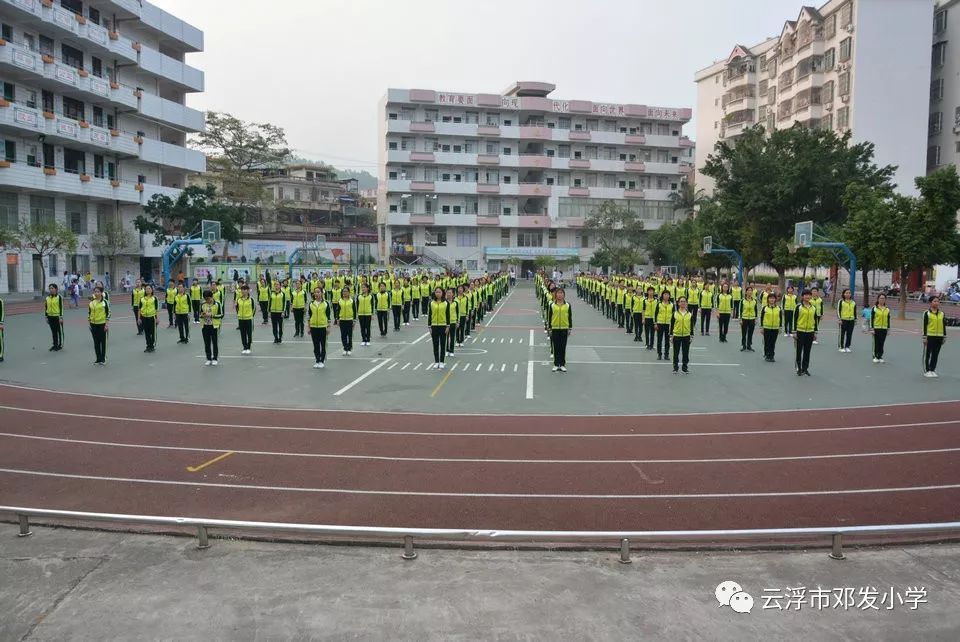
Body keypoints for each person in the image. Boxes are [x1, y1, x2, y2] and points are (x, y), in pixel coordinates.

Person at [548, 287, 572, 372]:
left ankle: (562, 364)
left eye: (561, 293)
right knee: (556, 347)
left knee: (562, 347)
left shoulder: (568, 305)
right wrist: (550, 328)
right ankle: (556, 364)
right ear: (555, 295)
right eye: (558, 293)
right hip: (555, 328)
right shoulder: (552, 305)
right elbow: (550, 317)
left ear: (564, 295)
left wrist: (570, 328)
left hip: (564, 328)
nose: (560, 295)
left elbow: (570, 317)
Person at [794, 289, 817, 376]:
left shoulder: (813, 308)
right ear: (802, 296)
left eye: (809, 295)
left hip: (810, 332)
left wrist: (815, 332)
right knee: (799, 351)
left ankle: (805, 368)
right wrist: (794, 332)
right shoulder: (798, 307)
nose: (808, 296)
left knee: (807, 351)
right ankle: (798, 368)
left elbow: (815, 320)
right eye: (806, 295)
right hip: (800, 331)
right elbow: (794, 319)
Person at [922, 296, 947, 378]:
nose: (936, 303)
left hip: (939, 336)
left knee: (936, 354)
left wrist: (944, 336)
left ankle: (933, 369)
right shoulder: (927, 313)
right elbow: (924, 326)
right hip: (930, 336)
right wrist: (924, 337)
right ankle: (927, 370)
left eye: (937, 301)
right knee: (928, 354)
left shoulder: (942, 313)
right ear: (930, 302)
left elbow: (943, 325)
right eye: (934, 301)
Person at [308, 287, 331, 368]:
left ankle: (322, 360)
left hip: (323, 326)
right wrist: (309, 327)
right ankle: (317, 360)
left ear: (322, 293)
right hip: (314, 326)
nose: (316, 294)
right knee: (316, 345)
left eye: (318, 292)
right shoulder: (311, 304)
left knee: (323, 344)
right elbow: (309, 316)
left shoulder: (326, 304)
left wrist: (328, 327)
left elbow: (328, 317)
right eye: (315, 292)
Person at [670, 296, 693, 374]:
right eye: (681, 301)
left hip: (686, 336)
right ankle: (675, 368)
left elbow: (691, 326)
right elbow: (672, 325)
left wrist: (691, 335)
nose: (683, 303)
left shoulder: (689, 314)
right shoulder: (675, 314)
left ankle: (684, 368)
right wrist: (671, 336)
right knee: (676, 353)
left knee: (685, 353)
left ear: (686, 303)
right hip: (677, 335)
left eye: (684, 301)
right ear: (678, 303)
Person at [200, 289, 222, 366]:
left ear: (211, 297)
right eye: (205, 299)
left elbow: (221, 315)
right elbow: (200, 314)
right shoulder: (203, 305)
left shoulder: (217, 304)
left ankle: (215, 358)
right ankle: (208, 358)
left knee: (215, 342)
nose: (207, 300)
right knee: (207, 343)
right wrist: (202, 315)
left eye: (208, 299)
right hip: (205, 326)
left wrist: (211, 315)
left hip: (214, 326)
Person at [427, 287, 448, 369]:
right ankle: (436, 361)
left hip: (443, 326)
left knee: (443, 344)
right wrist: (429, 326)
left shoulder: (446, 303)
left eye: (439, 292)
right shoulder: (431, 303)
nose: (438, 293)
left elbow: (448, 315)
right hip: (434, 326)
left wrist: (448, 326)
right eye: (436, 292)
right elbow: (430, 315)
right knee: (435, 344)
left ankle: (442, 361)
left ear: (442, 293)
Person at [88, 286, 110, 365]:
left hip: (102, 324)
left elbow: (108, 314)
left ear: (101, 293)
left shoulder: (105, 302)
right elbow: (89, 313)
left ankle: (103, 359)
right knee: (96, 342)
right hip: (93, 325)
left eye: (98, 292)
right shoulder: (91, 303)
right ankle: (98, 359)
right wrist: (89, 323)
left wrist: (106, 324)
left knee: (103, 342)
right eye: (95, 292)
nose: (96, 293)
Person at [759, 293, 781, 362]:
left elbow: (780, 318)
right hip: (766, 328)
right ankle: (767, 354)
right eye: (770, 298)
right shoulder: (764, 308)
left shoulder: (778, 308)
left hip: (775, 328)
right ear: (768, 299)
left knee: (773, 342)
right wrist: (761, 327)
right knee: (767, 342)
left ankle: (772, 355)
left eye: (773, 298)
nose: (772, 299)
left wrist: (780, 327)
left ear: (775, 300)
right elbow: (761, 318)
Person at [870, 293, 890, 364]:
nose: (882, 300)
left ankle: (880, 356)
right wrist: (872, 328)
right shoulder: (874, 308)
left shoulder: (887, 309)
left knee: (882, 343)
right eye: (881, 298)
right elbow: (871, 319)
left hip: (884, 328)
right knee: (876, 343)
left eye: (883, 298)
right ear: (878, 299)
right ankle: (875, 356)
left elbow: (888, 319)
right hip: (876, 328)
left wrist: (888, 329)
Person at [654, 289, 674, 361]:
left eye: (667, 294)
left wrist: (673, 325)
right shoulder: (659, 304)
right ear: (662, 296)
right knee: (659, 340)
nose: (666, 296)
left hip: (668, 325)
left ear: (669, 296)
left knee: (667, 340)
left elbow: (674, 315)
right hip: (660, 323)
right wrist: (655, 323)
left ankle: (666, 354)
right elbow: (656, 314)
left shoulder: (672, 305)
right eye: (665, 294)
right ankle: (659, 354)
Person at [44, 284, 64, 352]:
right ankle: (55, 344)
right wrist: (46, 317)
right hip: (50, 317)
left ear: (56, 289)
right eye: (50, 288)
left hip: (57, 317)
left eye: (52, 288)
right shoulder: (47, 298)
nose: (51, 289)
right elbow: (46, 307)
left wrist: (61, 317)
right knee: (53, 332)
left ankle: (59, 345)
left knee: (58, 331)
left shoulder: (59, 297)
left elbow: (61, 307)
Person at [235, 284, 255, 355]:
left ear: (248, 291)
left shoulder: (251, 299)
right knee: (242, 334)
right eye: (242, 290)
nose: (243, 291)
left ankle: (248, 347)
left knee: (249, 334)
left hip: (248, 319)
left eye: (244, 290)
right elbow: (237, 308)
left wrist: (250, 315)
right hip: (241, 319)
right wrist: (239, 314)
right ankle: (244, 347)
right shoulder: (239, 299)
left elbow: (254, 309)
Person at [335, 286, 355, 355]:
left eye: (346, 291)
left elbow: (354, 311)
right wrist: (337, 319)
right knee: (343, 335)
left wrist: (354, 320)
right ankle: (345, 348)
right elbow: (337, 311)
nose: (345, 293)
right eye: (343, 291)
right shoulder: (340, 301)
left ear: (349, 292)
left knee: (349, 335)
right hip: (342, 320)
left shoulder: (352, 300)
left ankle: (349, 348)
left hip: (349, 320)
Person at [139, 285, 159, 353]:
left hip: (152, 317)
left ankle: (152, 346)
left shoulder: (154, 298)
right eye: (146, 289)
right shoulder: (142, 299)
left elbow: (156, 309)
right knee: (147, 333)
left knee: (152, 332)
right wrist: (139, 318)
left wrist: (157, 318)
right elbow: (139, 309)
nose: (148, 290)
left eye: (149, 288)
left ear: (152, 290)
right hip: (144, 318)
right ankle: (148, 346)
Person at [837, 288, 856, 353]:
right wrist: (839, 319)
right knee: (842, 334)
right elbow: (838, 311)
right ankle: (841, 347)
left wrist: (855, 319)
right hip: (843, 320)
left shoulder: (853, 302)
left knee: (849, 334)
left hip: (851, 320)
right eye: (846, 293)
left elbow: (855, 311)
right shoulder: (841, 301)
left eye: (849, 293)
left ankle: (847, 346)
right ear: (844, 294)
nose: (848, 294)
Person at [740, 286, 757, 352]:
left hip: (752, 319)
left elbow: (755, 310)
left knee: (750, 333)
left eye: (751, 291)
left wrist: (755, 319)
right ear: (746, 292)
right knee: (744, 333)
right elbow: (740, 310)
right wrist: (740, 319)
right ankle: (744, 345)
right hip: (744, 318)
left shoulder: (754, 301)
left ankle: (749, 345)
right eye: (748, 290)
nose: (750, 292)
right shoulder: (742, 301)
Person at [0, 295, 5, 362]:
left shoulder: (0, 301)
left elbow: (2, 312)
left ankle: (1, 355)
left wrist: (1, 323)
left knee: (0, 340)